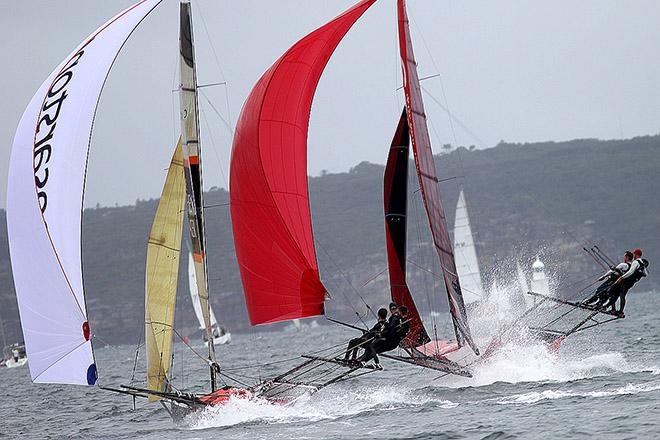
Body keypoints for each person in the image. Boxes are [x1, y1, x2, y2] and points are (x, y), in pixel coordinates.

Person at [604, 248, 649, 317]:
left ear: (636, 254)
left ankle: (616, 310)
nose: (633, 255)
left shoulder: (635, 262)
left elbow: (630, 272)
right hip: (631, 283)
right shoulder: (642, 263)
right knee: (622, 295)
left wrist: (621, 277)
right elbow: (645, 274)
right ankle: (620, 311)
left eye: (634, 254)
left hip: (626, 281)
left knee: (613, 292)